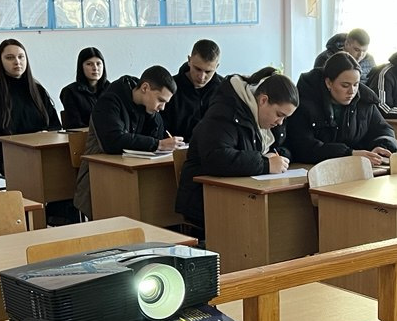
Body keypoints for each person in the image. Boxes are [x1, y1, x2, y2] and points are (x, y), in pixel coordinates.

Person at [175, 67, 298, 232]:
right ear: (263, 100)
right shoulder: (225, 111)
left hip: (241, 198)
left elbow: (285, 147)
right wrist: (265, 164)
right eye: (279, 115)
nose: (280, 122)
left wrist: (278, 157)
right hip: (206, 202)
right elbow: (216, 158)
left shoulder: (264, 118)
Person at [72, 66, 179, 218]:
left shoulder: (148, 108)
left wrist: (152, 120)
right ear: (145, 88)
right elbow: (113, 141)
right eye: (160, 100)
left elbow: (158, 135)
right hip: (99, 178)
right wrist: (159, 144)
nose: (162, 107)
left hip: (133, 175)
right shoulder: (109, 101)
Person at [288, 53, 397, 167]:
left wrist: (381, 147)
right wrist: (348, 154)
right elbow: (303, 147)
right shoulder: (304, 103)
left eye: (356, 85)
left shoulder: (364, 101)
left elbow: (384, 130)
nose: (352, 91)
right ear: (328, 83)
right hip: (315, 169)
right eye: (345, 85)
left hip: (358, 168)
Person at [0, 39, 61, 178]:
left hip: (45, 152)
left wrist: (44, 135)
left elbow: (56, 125)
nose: (17, 62)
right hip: (12, 157)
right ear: (0, 61)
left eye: (21, 57)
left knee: (66, 171)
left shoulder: (37, 90)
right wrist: (22, 145)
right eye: (10, 58)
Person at [162, 39, 221, 138]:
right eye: (197, 69)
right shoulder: (169, 89)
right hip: (177, 146)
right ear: (189, 60)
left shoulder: (224, 90)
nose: (201, 77)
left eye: (208, 72)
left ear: (217, 67)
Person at [59, 47, 110, 130]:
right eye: (89, 64)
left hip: (112, 134)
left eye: (98, 64)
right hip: (85, 135)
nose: (95, 68)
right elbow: (75, 125)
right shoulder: (70, 92)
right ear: (81, 67)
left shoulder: (111, 89)